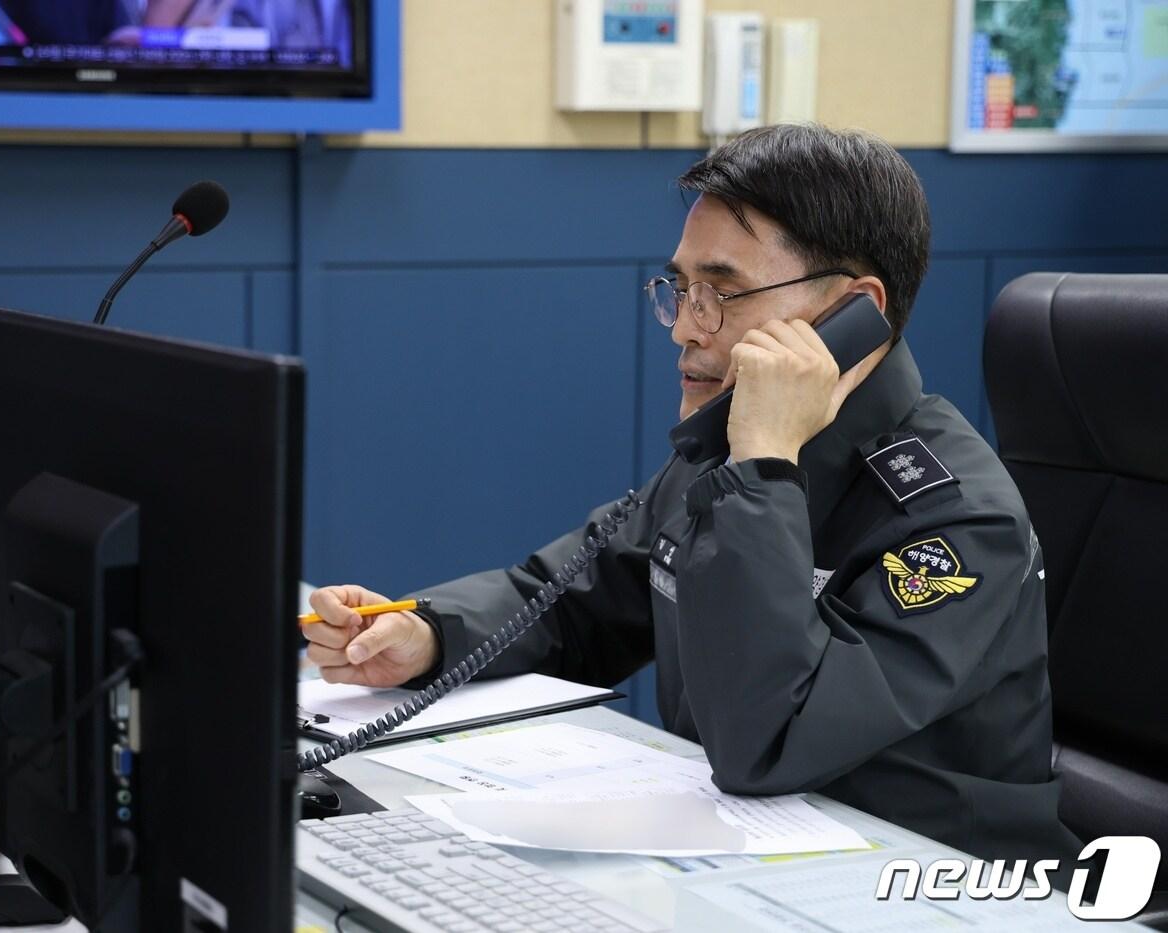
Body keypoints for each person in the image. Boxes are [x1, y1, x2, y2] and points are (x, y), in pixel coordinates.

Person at [305, 123, 1082, 873]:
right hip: (757, 862)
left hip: (928, 883)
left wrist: (764, 464)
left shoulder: (957, 519)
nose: (684, 327)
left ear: (852, 314)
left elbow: (768, 743)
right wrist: (429, 634)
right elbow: (575, 605)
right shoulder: (735, 448)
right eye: (679, 290)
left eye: (722, 292)